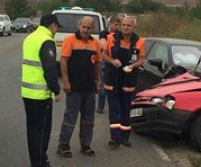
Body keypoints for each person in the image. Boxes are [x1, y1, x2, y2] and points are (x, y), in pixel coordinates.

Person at [22, 14, 63, 167]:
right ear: (52, 25)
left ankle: (35, 160)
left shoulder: (30, 38)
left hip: (27, 92)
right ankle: (40, 162)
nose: (56, 31)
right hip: (40, 95)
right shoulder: (47, 41)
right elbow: (50, 69)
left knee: (32, 129)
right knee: (42, 130)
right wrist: (56, 91)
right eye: (57, 28)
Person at [56, 16, 101, 158]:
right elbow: (63, 62)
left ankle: (85, 145)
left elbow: (98, 64)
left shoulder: (95, 43)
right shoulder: (70, 40)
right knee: (70, 118)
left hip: (89, 88)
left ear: (92, 29)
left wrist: (98, 81)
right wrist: (66, 82)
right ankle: (63, 146)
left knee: (88, 119)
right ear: (79, 26)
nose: (85, 30)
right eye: (83, 27)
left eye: (89, 28)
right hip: (74, 88)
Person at [101, 16, 145, 148]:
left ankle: (125, 137)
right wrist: (112, 61)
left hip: (128, 81)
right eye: (124, 25)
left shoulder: (140, 42)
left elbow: (141, 59)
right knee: (114, 110)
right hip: (113, 79)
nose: (125, 27)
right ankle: (114, 138)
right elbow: (103, 54)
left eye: (128, 25)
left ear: (134, 28)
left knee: (126, 109)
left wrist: (132, 66)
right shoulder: (111, 38)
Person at [96, 17, 120, 114]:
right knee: (103, 86)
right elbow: (103, 45)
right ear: (110, 24)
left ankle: (114, 107)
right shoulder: (104, 33)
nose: (117, 27)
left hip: (115, 61)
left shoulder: (119, 35)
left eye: (118, 25)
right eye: (115, 25)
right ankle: (100, 106)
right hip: (104, 61)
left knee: (114, 85)